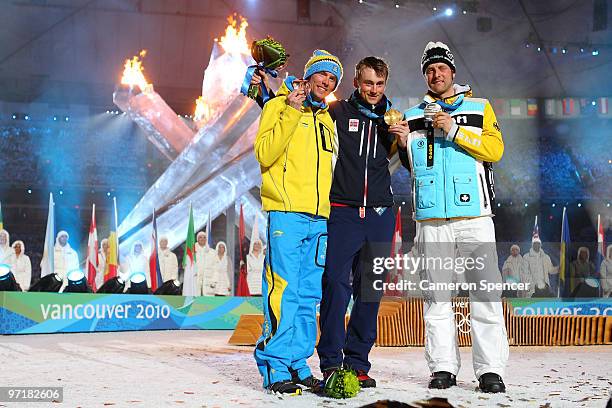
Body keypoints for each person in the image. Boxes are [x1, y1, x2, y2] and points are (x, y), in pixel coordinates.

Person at [251, 56, 410, 389]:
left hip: (364, 214)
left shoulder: (389, 120)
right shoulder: (334, 113)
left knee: (355, 292)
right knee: (329, 289)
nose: (374, 90)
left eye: (380, 84)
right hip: (333, 213)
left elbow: (410, 166)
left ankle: (347, 362)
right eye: (368, 83)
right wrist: (265, 85)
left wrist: (406, 142)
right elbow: (267, 103)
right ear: (356, 83)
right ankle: (324, 362)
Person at [397, 41, 508, 393]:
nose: (436, 73)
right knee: (436, 297)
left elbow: (495, 150)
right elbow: (414, 166)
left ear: (453, 72)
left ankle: (490, 370)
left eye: (441, 67)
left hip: (474, 215)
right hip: (431, 219)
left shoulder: (480, 107)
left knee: (485, 295)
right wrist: (401, 145)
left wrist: (454, 129)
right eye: (429, 69)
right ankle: (442, 367)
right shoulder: (412, 115)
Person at [253, 50, 341, 395]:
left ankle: (298, 362)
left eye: (333, 79)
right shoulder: (278, 105)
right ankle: (275, 363)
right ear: (309, 75)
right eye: (322, 75)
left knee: (307, 296)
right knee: (282, 291)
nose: (327, 83)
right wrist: (290, 109)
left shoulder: (327, 120)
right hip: (286, 214)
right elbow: (265, 153)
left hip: (318, 218)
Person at [196, 231, 214, 296]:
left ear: (206, 239)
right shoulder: (192, 252)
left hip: (208, 280)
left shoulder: (212, 252)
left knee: (208, 301)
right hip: (196, 279)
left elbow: (215, 267)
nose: (202, 239)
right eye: (200, 237)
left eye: (204, 237)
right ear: (197, 239)